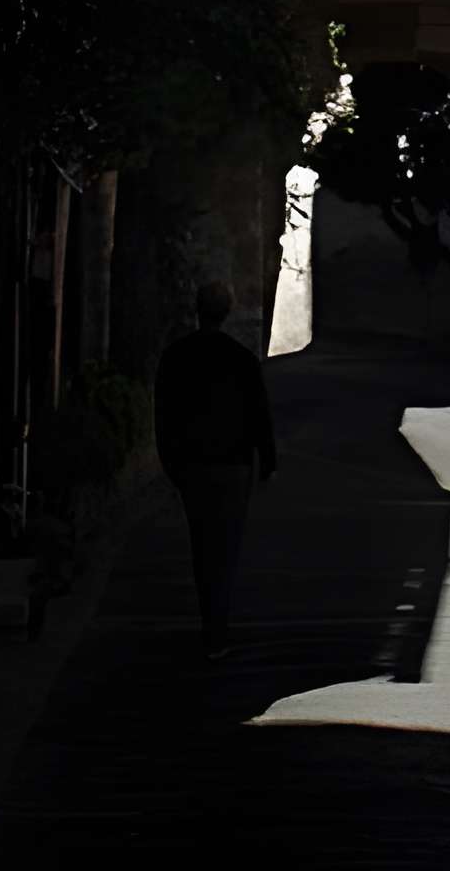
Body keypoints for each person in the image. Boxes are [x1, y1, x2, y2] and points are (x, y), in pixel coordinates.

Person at [154, 282, 276, 660]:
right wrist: (266, 459)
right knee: (226, 547)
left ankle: (212, 623)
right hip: (233, 466)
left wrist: (171, 463)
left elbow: (164, 415)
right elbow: (259, 414)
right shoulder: (241, 358)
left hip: (193, 466)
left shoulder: (177, 356)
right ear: (228, 311)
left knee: (202, 544)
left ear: (197, 310)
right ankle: (217, 629)